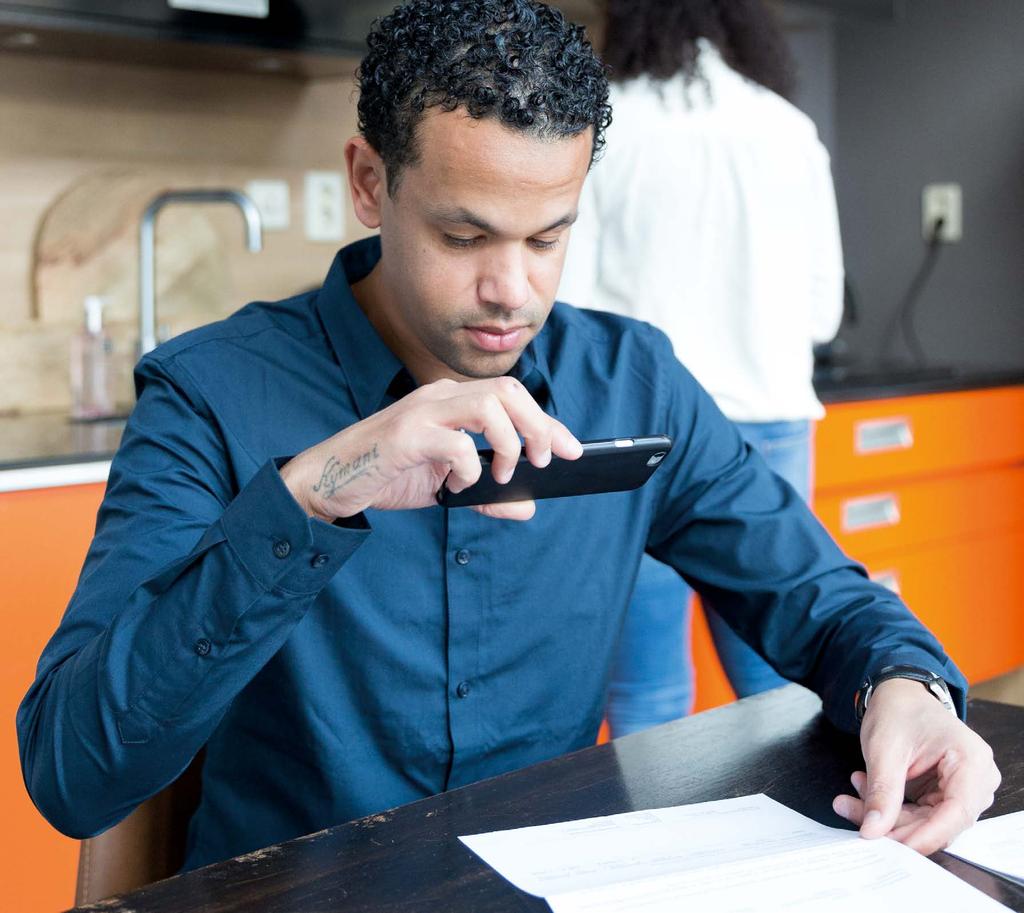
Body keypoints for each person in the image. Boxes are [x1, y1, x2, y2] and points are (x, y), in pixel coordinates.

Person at [18, 0, 997, 873]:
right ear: (368, 181)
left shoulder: (631, 382)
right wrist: (314, 491)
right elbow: (74, 771)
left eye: (546, 237)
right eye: (463, 236)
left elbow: (817, 595)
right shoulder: (211, 394)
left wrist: (907, 685)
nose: (511, 291)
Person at [558, 0, 844, 734]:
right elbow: (823, 314)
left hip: (645, 432)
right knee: (783, 685)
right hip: (772, 424)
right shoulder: (789, 129)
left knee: (646, 694)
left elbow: (570, 302)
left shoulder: (605, 126)